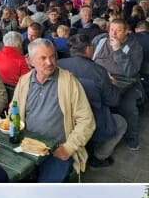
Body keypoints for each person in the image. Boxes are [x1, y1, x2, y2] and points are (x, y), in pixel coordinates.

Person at [10, 39, 96, 181]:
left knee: (45, 189)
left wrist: (69, 147)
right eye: (43, 58)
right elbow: (14, 111)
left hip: (57, 150)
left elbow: (87, 120)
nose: (50, 62)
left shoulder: (68, 82)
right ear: (30, 60)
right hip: (26, 145)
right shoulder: (24, 81)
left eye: (52, 56)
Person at [57, 34, 126, 168]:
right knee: (121, 122)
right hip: (91, 119)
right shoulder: (99, 71)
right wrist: (113, 84)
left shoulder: (58, 64)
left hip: (63, 115)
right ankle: (99, 156)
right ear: (88, 49)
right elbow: (113, 101)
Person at [92, 19, 144, 150]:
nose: (113, 34)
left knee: (129, 109)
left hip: (127, 82)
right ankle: (96, 138)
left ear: (127, 31)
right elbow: (90, 58)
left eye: (118, 30)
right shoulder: (100, 40)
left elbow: (131, 72)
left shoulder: (135, 47)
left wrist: (118, 50)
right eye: (111, 30)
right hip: (99, 77)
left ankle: (132, 137)